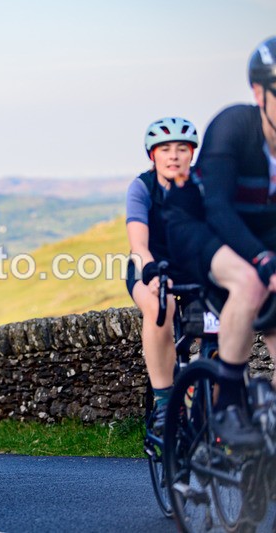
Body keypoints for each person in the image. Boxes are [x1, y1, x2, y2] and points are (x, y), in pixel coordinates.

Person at [164, 36, 276, 449]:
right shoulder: (234, 127)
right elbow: (218, 209)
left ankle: (261, 458)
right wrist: (263, 261)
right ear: (259, 93)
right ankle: (227, 402)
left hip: (256, 232)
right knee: (249, 282)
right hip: (198, 227)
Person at [125, 117, 200, 434]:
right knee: (160, 306)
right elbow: (139, 244)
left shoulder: (203, 186)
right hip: (149, 266)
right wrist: (152, 271)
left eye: (182, 148)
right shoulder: (143, 187)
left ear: (192, 153)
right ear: (152, 155)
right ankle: (164, 403)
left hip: (194, 268)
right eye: (165, 149)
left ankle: (214, 404)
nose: (174, 156)